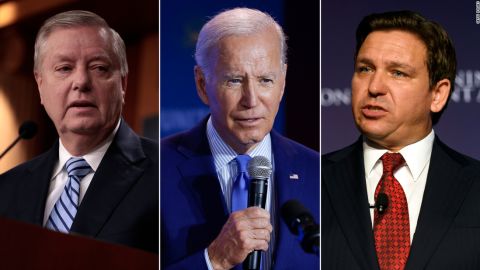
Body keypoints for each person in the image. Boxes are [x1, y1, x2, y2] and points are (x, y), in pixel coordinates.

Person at [161, 7, 319, 269]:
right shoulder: (157, 169)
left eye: (266, 80)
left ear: (283, 82)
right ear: (202, 84)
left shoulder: (317, 172)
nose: (252, 100)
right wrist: (214, 260)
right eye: (234, 81)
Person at [322, 10, 480, 269]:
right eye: (365, 68)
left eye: (398, 73)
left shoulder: (475, 184)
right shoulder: (314, 179)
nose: (374, 87)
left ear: (437, 94)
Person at [0, 10, 158, 253]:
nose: (81, 82)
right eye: (64, 68)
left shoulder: (168, 173)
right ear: (40, 85)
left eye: (99, 68)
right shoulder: (7, 189)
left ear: (123, 84)